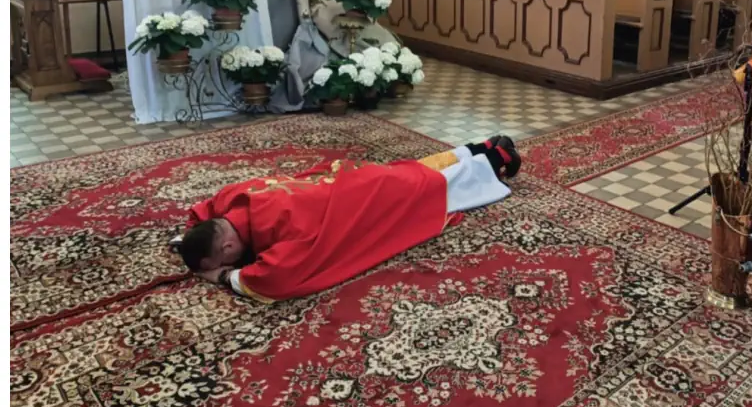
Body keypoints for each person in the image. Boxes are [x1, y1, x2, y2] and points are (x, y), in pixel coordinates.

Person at [172, 136, 522, 302]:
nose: (231, 261)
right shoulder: (233, 197)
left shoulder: (283, 229)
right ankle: (481, 146)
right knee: (417, 170)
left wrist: (224, 275)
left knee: (436, 190)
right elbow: (203, 214)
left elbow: (274, 279)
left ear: (228, 246)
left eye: (227, 257)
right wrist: (190, 241)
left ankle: (498, 157)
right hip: (352, 180)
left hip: (370, 198)